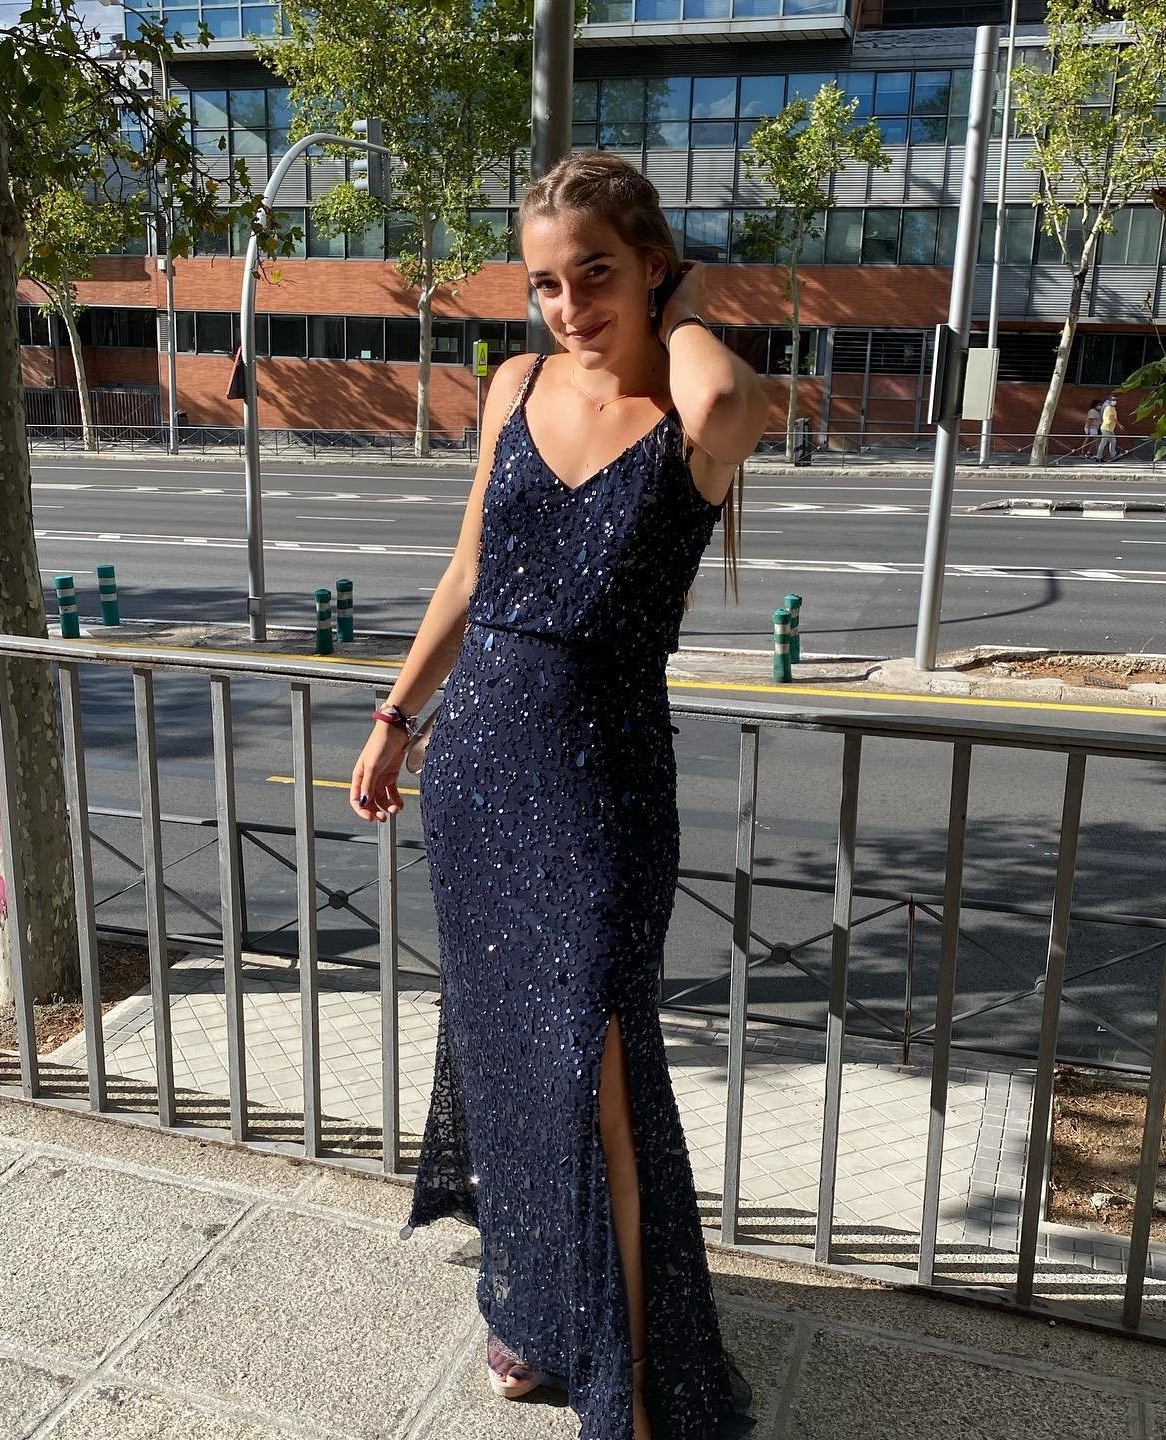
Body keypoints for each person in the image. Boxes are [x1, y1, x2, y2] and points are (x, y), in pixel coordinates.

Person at [349, 151, 768, 1440]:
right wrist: (396, 717)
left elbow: (730, 387)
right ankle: (534, 1309)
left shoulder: (695, 415)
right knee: (512, 1059)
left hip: (603, 789)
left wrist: (677, 309)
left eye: (596, 274)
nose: (569, 306)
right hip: (478, 770)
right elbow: (469, 568)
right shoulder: (515, 387)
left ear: (651, 265)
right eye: (545, 283)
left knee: (599, 1076)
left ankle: (630, 1384)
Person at [1096, 395, 1120, 460]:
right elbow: (1112, 418)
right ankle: (1098, 457)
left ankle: (1113, 455)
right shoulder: (1108, 408)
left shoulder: (1112, 408)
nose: (1115, 401)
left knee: (1113, 441)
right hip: (1106, 428)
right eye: (1113, 400)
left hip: (1110, 428)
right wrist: (1119, 425)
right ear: (1110, 400)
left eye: (1116, 400)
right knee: (1103, 443)